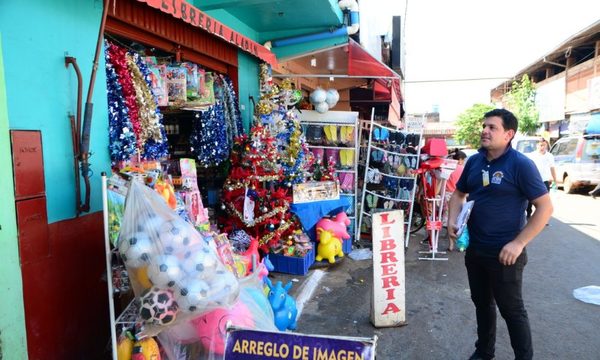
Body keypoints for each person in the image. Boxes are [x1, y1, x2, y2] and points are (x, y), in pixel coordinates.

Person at [447, 109, 553, 360]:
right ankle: (484, 352)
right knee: (482, 304)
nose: (485, 130)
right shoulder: (474, 161)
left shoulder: (521, 165)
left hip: (506, 253)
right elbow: (458, 194)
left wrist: (518, 243)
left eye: (492, 127)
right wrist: (452, 220)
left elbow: (545, 207)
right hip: (476, 250)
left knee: (512, 310)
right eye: (484, 126)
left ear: (509, 134)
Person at [526, 139, 557, 218]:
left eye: (544, 145)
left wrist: (555, 180)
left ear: (547, 146)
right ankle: (528, 213)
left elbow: (552, 168)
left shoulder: (549, 156)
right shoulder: (531, 155)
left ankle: (542, 218)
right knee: (530, 199)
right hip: (532, 180)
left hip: (544, 181)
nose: (542, 147)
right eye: (541, 145)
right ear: (537, 145)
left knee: (544, 201)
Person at [443, 150, 467, 251]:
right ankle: (461, 245)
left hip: (448, 195)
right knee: (462, 221)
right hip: (461, 196)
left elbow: (443, 182)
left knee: (450, 220)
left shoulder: (448, 168)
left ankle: (451, 245)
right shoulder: (463, 169)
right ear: (460, 159)